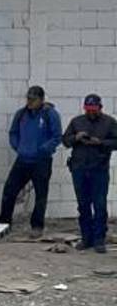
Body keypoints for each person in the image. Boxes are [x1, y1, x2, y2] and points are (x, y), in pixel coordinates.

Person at [0, 86, 61, 237]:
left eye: (33, 99)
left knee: (41, 195)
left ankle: (37, 226)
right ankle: (4, 222)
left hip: (41, 161)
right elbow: (13, 132)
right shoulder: (21, 114)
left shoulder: (50, 114)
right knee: (9, 190)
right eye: (28, 98)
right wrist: (18, 146)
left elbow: (57, 136)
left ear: (41, 99)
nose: (30, 102)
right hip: (23, 159)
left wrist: (43, 149)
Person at [62, 94, 117, 253]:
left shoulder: (109, 123)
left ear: (100, 107)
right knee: (83, 205)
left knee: (99, 205)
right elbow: (65, 141)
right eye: (88, 110)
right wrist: (75, 137)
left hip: (99, 169)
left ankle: (99, 239)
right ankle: (87, 238)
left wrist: (101, 143)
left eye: (94, 109)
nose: (91, 112)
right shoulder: (77, 122)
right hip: (79, 169)